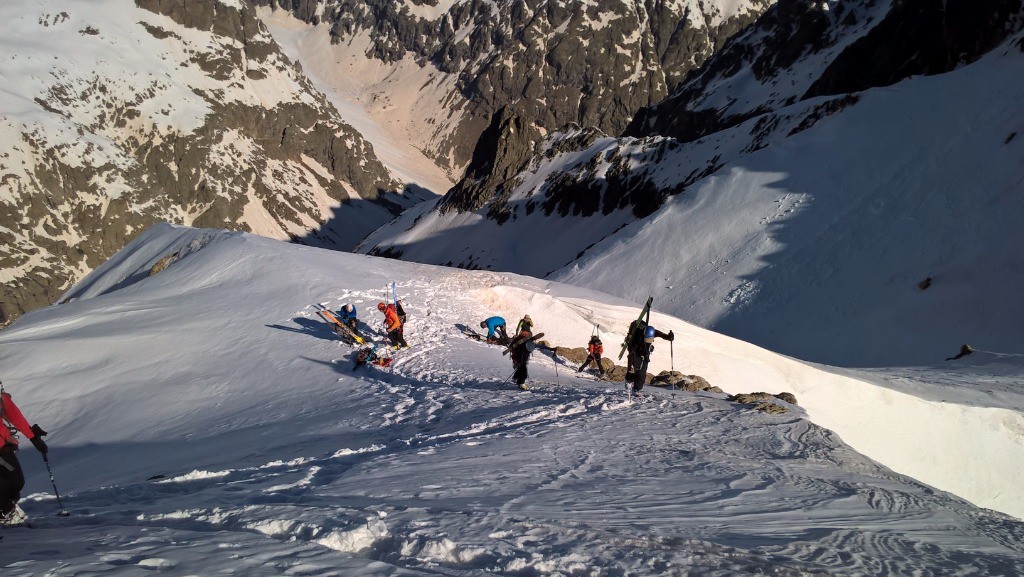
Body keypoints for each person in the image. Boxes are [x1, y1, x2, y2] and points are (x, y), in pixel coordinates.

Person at [1, 386, 48, 526]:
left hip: (4, 446)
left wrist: (33, 436)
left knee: (15, 483)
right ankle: (5, 514)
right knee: (7, 485)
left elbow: (8, 409)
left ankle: (6, 513)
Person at [625, 325, 674, 393]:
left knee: (642, 379)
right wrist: (629, 371)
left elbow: (662, 335)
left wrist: (669, 337)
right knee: (639, 375)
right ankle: (631, 382)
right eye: (647, 339)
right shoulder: (637, 338)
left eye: (650, 340)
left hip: (645, 356)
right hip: (636, 355)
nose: (648, 341)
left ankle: (636, 388)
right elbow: (630, 354)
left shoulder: (653, 332)